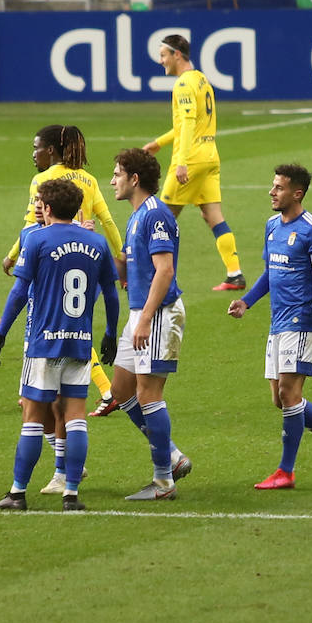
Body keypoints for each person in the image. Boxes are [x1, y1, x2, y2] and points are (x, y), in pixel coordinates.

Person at [0, 178, 119, 512]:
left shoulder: (36, 240)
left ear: (46, 208)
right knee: (75, 418)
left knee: (33, 418)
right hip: (79, 341)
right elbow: (112, 293)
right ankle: (71, 494)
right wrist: (110, 334)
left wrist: (2, 330)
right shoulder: (97, 243)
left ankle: (17, 494)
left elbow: (19, 292)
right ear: (77, 208)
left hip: (44, 343)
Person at [226, 164, 312, 490]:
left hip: (303, 321)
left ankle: (286, 472)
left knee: (290, 393)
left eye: (279, 188)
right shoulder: (272, 226)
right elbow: (270, 273)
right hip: (278, 322)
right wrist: (246, 301)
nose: (272, 192)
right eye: (273, 186)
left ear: (296, 193)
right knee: (281, 398)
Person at [0, 124, 122, 419]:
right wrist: (122, 257)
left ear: (51, 150)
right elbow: (107, 221)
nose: (34, 154)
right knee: (76, 328)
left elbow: (32, 227)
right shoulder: (89, 180)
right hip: (89, 264)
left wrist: (12, 255)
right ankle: (97, 391)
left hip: (53, 265)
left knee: (44, 324)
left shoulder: (42, 180)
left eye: (36, 148)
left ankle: (97, 390)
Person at [109, 148, 193, 501]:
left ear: (135, 179)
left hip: (157, 314)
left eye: (117, 174)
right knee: (121, 390)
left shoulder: (156, 215)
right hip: (140, 313)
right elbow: (130, 271)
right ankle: (171, 455)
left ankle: (162, 482)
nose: (112, 180)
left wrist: (144, 319)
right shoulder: (135, 217)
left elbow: (165, 270)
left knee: (148, 394)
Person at [142, 34, 245, 292]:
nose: (160, 60)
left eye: (164, 55)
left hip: (193, 159)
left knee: (159, 217)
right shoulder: (201, 80)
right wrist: (160, 143)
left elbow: (187, 124)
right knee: (213, 215)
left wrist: (182, 162)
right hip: (210, 156)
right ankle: (235, 274)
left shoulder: (184, 85)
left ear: (177, 54)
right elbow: (190, 123)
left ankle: (146, 275)